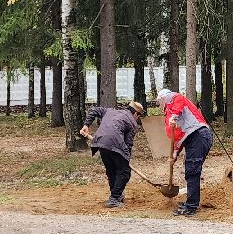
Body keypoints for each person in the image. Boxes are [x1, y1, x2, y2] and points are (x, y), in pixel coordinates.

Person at [156, 88, 212, 217]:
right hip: (193, 139)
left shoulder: (171, 98)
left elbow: (178, 99)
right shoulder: (169, 112)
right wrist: (175, 152)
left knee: (192, 171)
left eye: (159, 102)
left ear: (162, 99)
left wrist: (174, 116)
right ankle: (191, 202)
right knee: (191, 170)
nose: (159, 106)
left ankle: (191, 206)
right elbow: (178, 136)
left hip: (198, 135)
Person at [81, 100, 145, 208]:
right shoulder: (132, 123)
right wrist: (126, 159)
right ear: (135, 113)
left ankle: (116, 195)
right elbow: (128, 144)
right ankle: (114, 198)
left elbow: (93, 110)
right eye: (138, 116)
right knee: (124, 172)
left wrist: (86, 125)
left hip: (100, 143)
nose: (137, 118)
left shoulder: (110, 111)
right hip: (115, 143)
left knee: (111, 170)